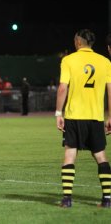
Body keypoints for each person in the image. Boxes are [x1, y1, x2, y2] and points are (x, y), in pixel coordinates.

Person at [56, 29, 111, 208]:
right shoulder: (105, 62)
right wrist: (110, 116)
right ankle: (107, 199)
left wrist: (58, 113)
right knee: (101, 156)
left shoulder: (69, 60)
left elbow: (63, 88)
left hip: (74, 116)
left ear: (78, 42)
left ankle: (67, 199)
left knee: (70, 155)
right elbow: (110, 91)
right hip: (96, 116)